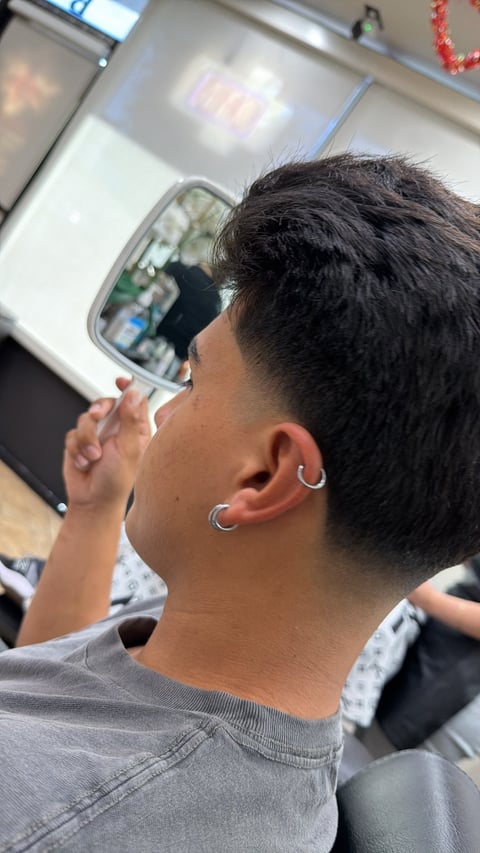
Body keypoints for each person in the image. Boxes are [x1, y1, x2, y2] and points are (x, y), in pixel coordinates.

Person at [1, 153, 480, 851]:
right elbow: (60, 704)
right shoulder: (216, 648)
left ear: (266, 475)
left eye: (193, 380)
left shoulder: (58, 816)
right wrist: (97, 510)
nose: (165, 415)